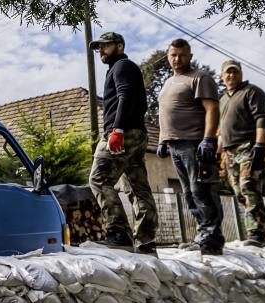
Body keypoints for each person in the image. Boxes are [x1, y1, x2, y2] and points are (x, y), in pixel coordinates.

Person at [86, 31, 159, 253]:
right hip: (137, 133)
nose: (101, 50)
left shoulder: (122, 67)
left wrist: (117, 129)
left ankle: (119, 233)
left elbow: (125, 95)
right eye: (99, 47)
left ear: (119, 46)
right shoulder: (123, 68)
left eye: (105, 46)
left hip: (123, 132)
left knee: (99, 179)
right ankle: (146, 241)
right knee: (136, 187)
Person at [154, 38, 224, 255]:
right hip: (175, 146)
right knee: (189, 194)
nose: (177, 59)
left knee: (201, 191)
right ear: (168, 56)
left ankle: (212, 239)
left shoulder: (199, 77)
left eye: (182, 55)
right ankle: (203, 235)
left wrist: (209, 139)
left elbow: (212, 108)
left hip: (195, 144)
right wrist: (162, 140)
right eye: (173, 55)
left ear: (190, 56)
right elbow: (165, 114)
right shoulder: (168, 83)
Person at [219, 60, 265, 247]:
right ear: (222, 76)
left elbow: (261, 118)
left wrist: (260, 145)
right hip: (229, 152)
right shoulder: (221, 99)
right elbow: (221, 129)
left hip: (248, 146)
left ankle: (255, 232)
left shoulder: (252, 92)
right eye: (228, 73)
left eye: (235, 72)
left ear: (241, 73)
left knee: (249, 187)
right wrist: (219, 152)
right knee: (239, 194)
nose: (231, 75)